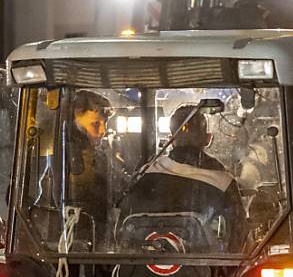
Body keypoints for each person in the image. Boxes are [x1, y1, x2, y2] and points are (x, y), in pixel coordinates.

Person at [120, 105, 245, 251]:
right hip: (206, 270)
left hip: (140, 268)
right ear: (208, 139)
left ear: (172, 139)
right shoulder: (223, 183)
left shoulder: (143, 175)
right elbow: (238, 237)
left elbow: (121, 231)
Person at [66, 91, 120, 231]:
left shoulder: (101, 155)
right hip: (73, 231)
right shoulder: (61, 153)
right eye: (96, 123)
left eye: (105, 123)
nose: (103, 130)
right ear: (76, 116)